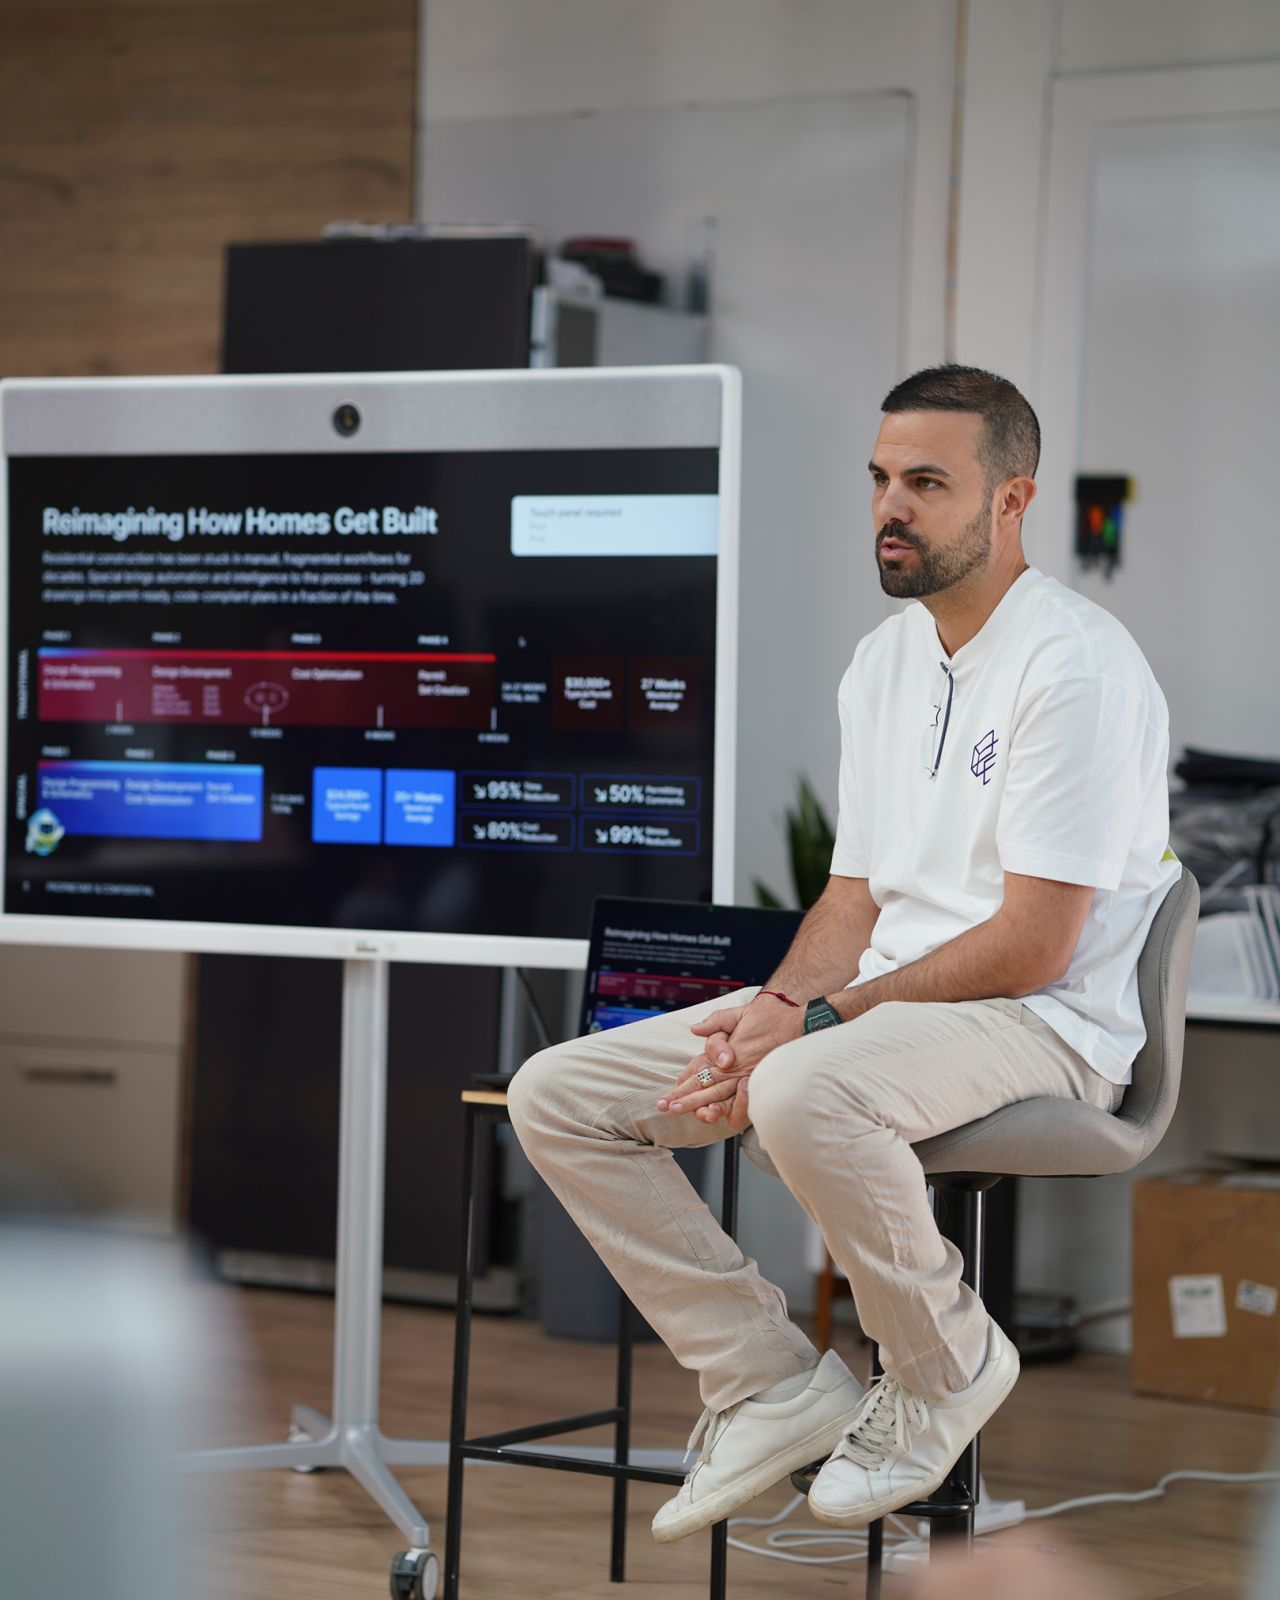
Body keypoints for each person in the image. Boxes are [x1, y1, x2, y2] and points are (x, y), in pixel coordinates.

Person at [507, 364, 1179, 1541]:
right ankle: (766, 1379)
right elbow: (853, 895)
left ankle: (943, 1365)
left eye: (926, 481)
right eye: (878, 478)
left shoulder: (1074, 665)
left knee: (799, 1080)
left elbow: (1033, 943)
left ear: (1008, 499)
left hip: (1044, 1022)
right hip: (888, 1010)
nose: (890, 507)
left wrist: (813, 1028)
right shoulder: (882, 663)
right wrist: (777, 1000)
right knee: (559, 1092)